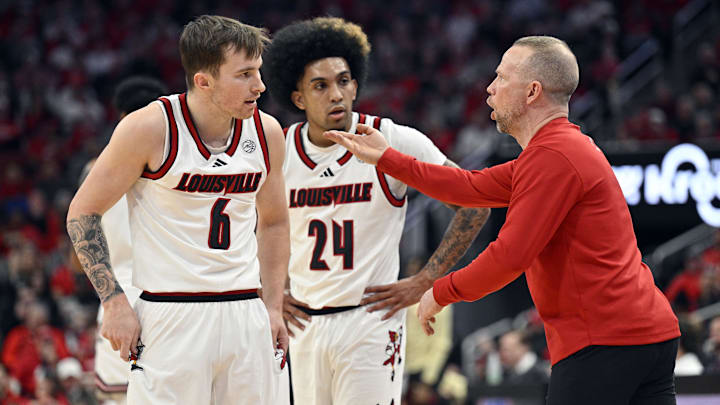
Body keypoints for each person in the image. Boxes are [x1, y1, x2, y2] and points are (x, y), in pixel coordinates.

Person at [325, 35, 681, 405]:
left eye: (501, 78)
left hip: (604, 341)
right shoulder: (554, 152)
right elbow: (468, 186)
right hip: (644, 334)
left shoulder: (554, 157)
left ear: (532, 92)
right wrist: (387, 159)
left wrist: (439, 291)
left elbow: (510, 255)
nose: (490, 89)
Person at [262, 17, 490, 405]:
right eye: (320, 85)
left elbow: (473, 202)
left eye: (344, 80)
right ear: (298, 97)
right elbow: (247, 226)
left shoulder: (393, 140)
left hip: (369, 323)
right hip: (303, 327)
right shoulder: (278, 151)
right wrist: (270, 292)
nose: (336, 94)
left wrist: (425, 281)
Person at [66, 15, 289, 404]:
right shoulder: (148, 128)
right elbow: (82, 213)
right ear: (203, 81)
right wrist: (114, 301)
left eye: (258, 71)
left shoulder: (267, 132)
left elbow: (273, 222)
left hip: (244, 312)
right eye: (245, 74)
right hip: (171, 313)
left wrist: (272, 307)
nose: (260, 86)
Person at [78, 76, 166, 403]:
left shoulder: (93, 170)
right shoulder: (171, 167)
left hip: (114, 300)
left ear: (119, 118)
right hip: (165, 299)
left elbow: (78, 254)